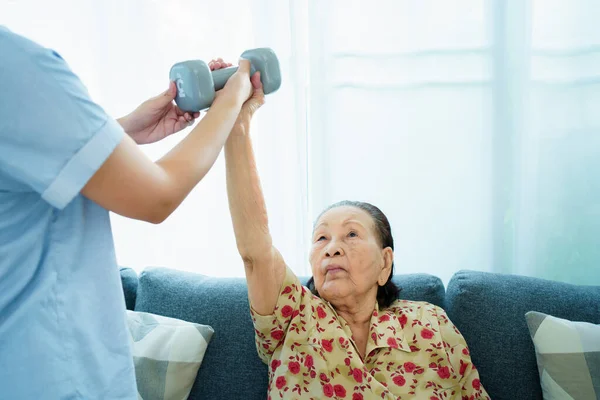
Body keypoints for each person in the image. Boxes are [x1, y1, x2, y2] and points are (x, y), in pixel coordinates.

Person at [0, 26, 252, 398]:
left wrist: (120, 133)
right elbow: (157, 196)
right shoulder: (17, 66)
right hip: (61, 376)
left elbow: (21, 170)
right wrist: (233, 100)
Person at [224, 76, 491, 399]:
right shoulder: (292, 316)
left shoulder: (430, 322)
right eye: (321, 239)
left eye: (351, 234)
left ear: (385, 262)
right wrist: (237, 124)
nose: (332, 248)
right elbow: (255, 249)